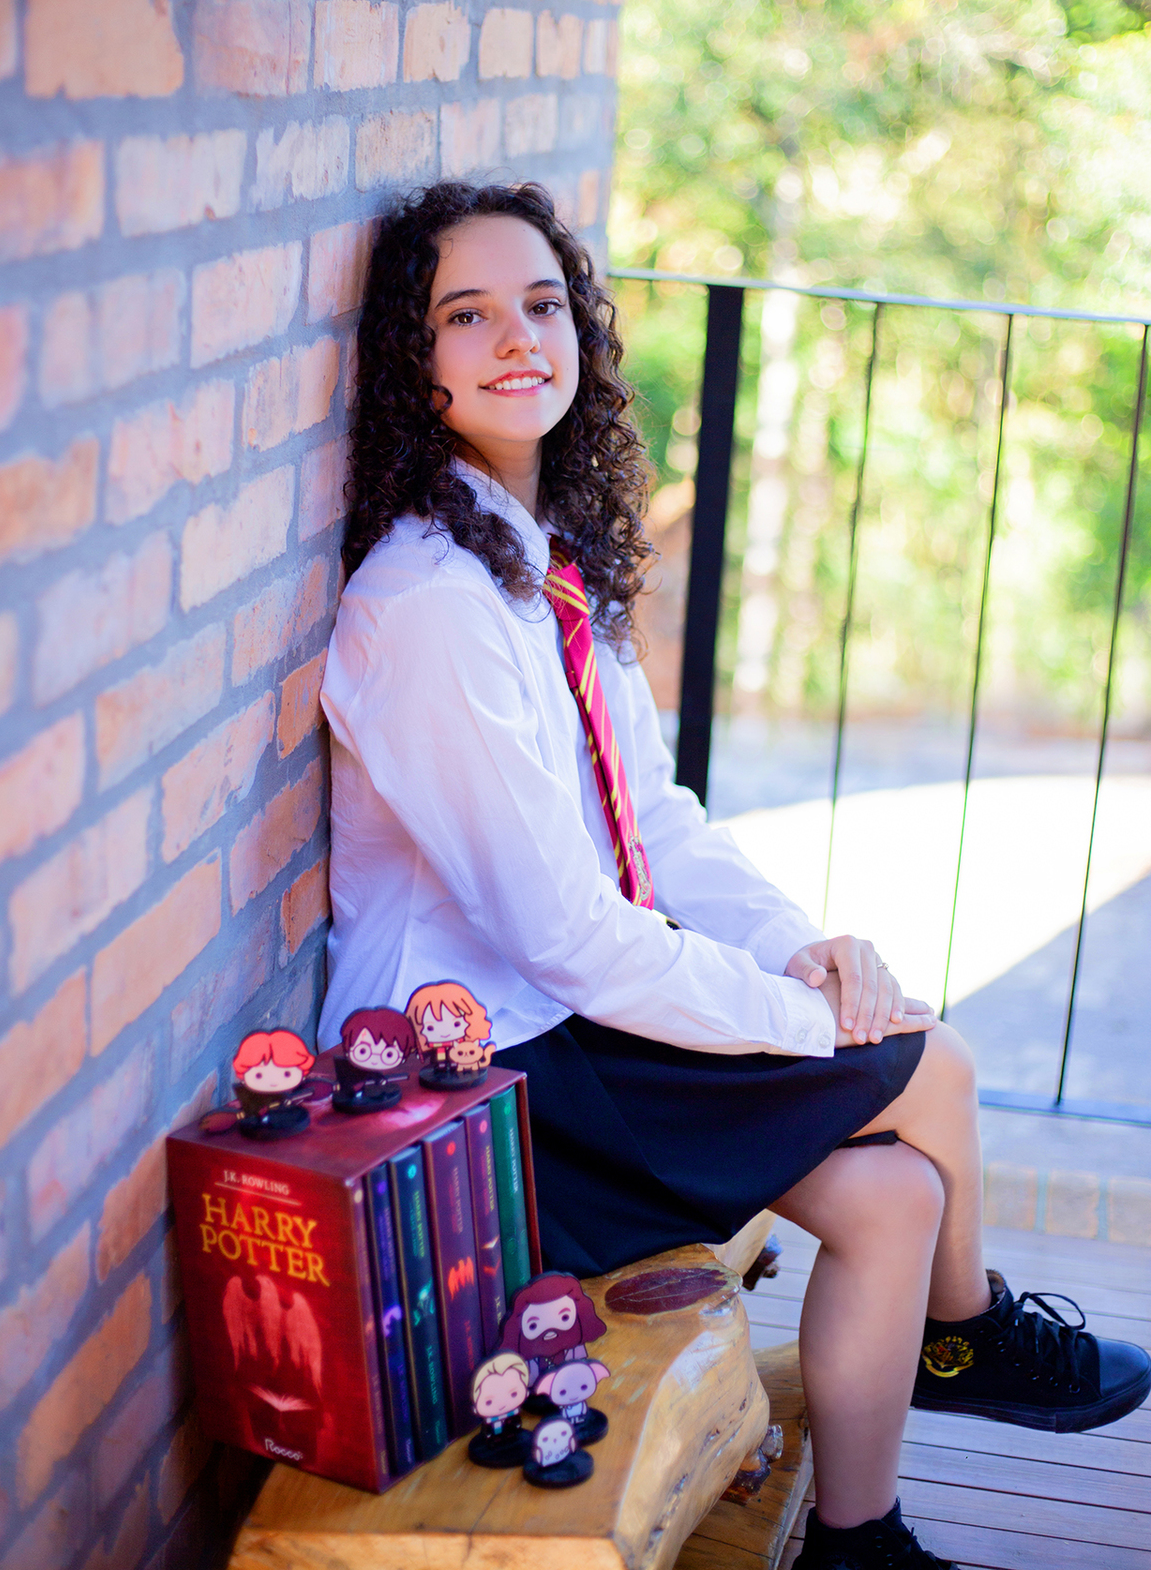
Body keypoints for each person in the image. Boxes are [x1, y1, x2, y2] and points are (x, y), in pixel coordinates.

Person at [316, 181, 1150, 1569]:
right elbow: (573, 936)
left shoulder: (543, 570)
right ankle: (969, 1334)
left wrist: (797, 948)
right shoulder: (429, 607)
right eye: (466, 315)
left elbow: (660, 816)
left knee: (895, 1195)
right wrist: (811, 1020)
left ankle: (861, 1536)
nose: (518, 337)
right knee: (932, 1064)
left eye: (542, 303)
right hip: (487, 1082)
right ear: (416, 360)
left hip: (565, 1022)